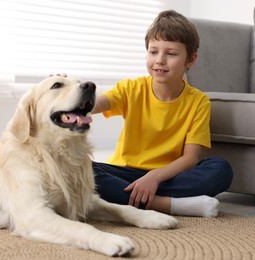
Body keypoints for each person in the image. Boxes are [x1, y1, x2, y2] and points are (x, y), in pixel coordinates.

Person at [96, 10, 233, 217]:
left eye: (170, 53)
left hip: (168, 176)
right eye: (153, 52)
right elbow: (95, 104)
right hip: (123, 173)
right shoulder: (131, 89)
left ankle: (127, 197)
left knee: (221, 169)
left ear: (191, 60)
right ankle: (166, 205)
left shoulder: (198, 102)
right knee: (76, 169)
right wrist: (66, 93)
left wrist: (154, 177)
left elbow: (191, 158)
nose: (159, 60)